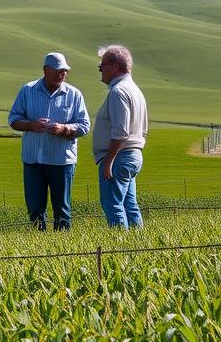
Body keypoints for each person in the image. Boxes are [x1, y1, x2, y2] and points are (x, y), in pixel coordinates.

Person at [9, 52, 90, 230]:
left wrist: (65, 129)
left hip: (61, 161)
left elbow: (84, 126)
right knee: (35, 210)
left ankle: (62, 246)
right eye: (58, 71)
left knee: (62, 210)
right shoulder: (27, 90)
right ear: (46, 70)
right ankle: (38, 245)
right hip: (33, 161)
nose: (62, 75)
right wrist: (30, 125)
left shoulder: (74, 94)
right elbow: (13, 119)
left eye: (65, 71)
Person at [92, 44, 148, 229]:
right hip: (133, 154)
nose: (100, 71)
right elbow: (143, 130)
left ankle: (119, 245)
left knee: (112, 205)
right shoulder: (135, 90)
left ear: (114, 67)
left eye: (102, 67)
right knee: (129, 205)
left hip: (120, 156)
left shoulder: (119, 92)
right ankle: (138, 244)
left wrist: (109, 160)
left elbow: (121, 131)